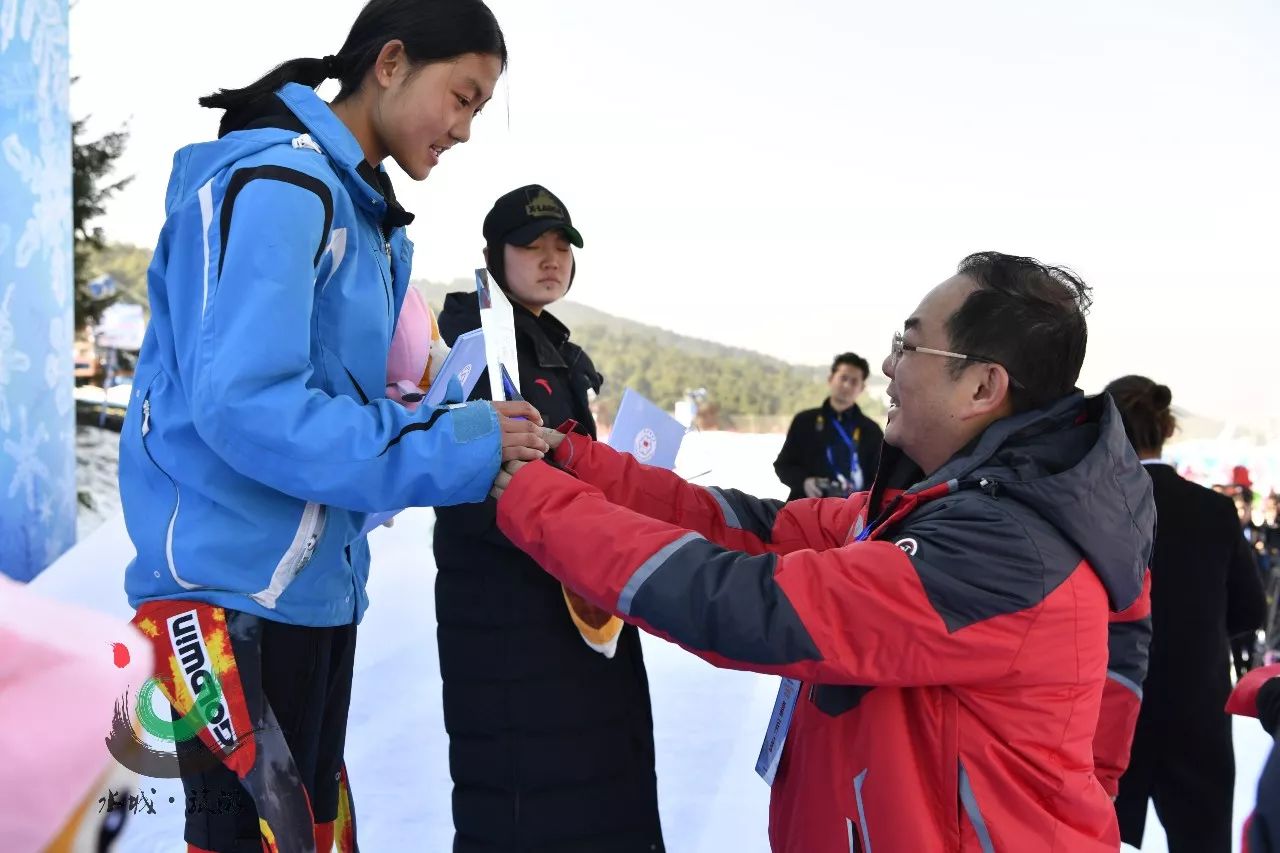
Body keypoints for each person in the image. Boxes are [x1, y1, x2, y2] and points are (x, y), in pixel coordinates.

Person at [490, 251, 1155, 852]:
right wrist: (576, 461)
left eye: (911, 345)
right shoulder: (930, 505)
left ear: (983, 386)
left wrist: (535, 499)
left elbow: (755, 605)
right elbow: (755, 529)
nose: (889, 364)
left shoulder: (1004, 549)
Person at [117, 4, 549, 852]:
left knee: (309, 832)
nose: (463, 130)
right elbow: (250, 407)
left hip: (305, 592)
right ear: (390, 63)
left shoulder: (356, 209)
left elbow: (327, 405)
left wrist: (443, 421)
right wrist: (446, 445)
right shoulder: (282, 185)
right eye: (460, 98)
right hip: (230, 600)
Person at [431, 185, 666, 853]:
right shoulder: (480, 350)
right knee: (529, 805)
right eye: (531, 246)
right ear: (492, 255)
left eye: (562, 245)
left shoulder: (546, 346)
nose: (550, 258)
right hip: (512, 617)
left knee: (589, 789)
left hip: (570, 597)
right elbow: (474, 486)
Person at [1106, 376, 1267, 852]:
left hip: (1114, 705)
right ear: (1165, 430)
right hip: (1199, 706)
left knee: (1102, 839)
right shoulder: (1214, 509)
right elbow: (1250, 609)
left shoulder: (1097, 509)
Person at [774, 353, 883, 500]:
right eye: (843, 378)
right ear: (831, 379)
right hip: (806, 508)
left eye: (854, 381)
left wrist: (861, 499)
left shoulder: (872, 431)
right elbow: (783, 465)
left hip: (852, 514)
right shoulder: (805, 421)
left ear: (862, 388)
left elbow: (879, 478)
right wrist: (804, 482)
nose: (847, 385)